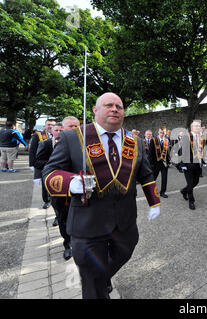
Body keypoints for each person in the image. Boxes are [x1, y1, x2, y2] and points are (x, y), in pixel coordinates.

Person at [42, 92, 161, 298]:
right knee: (93, 286)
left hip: (124, 223)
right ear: (95, 110)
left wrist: (154, 202)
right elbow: (50, 172)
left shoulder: (136, 141)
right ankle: (96, 282)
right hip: (87, 223)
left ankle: (99, 277)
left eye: (119, 106)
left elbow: (146, 174)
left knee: (120, 256)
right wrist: (71, 183)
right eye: (108, 105)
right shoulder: (73, 137)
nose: (115, 109)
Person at [34, 122, 70, 250]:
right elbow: (37, 161)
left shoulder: (74, 144)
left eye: (62, 130)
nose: (60, 132)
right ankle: (67, 244)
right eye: (57, 130)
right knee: (62, 215)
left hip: (70, 185)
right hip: (54, 183)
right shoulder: (45, 144)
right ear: (52, 131)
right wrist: (53, 165)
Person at [29, 118, 55, 209]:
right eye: (48, 124)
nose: (50, 126)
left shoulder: (60, 134)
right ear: (45, 126)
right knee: (45, 183)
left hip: (57, 163)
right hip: (43, 163)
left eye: (52, 125)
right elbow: (32, 150)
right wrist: (32, 164)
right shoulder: (39, 135)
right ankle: (47, 200)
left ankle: (54, 200)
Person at [180, 120, 203, 210]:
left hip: (197, 164)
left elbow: (201, 150)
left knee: (196, 181)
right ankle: (191, 201)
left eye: (199, 126)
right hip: (188, 164)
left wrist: (202, 161)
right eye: (196, 126)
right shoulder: (187, 137)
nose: (198, 127)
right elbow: (182, 151)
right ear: (192, 127)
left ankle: (183, 191)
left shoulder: (200, 137)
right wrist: (183, 164)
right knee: (190, 184)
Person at [148, 126, 170, 198]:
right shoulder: (153, 140)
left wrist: (168, 161)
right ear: (158, 132)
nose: (162, 134)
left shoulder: (167, 140)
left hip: (164, 163)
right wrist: (151, 164)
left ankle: (162, 192)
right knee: (153, 178)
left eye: (163, 133)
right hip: (155, 163)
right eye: (161, 132)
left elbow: (167, 153)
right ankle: (150, 191)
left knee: (164, 178)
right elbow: (150, 153)